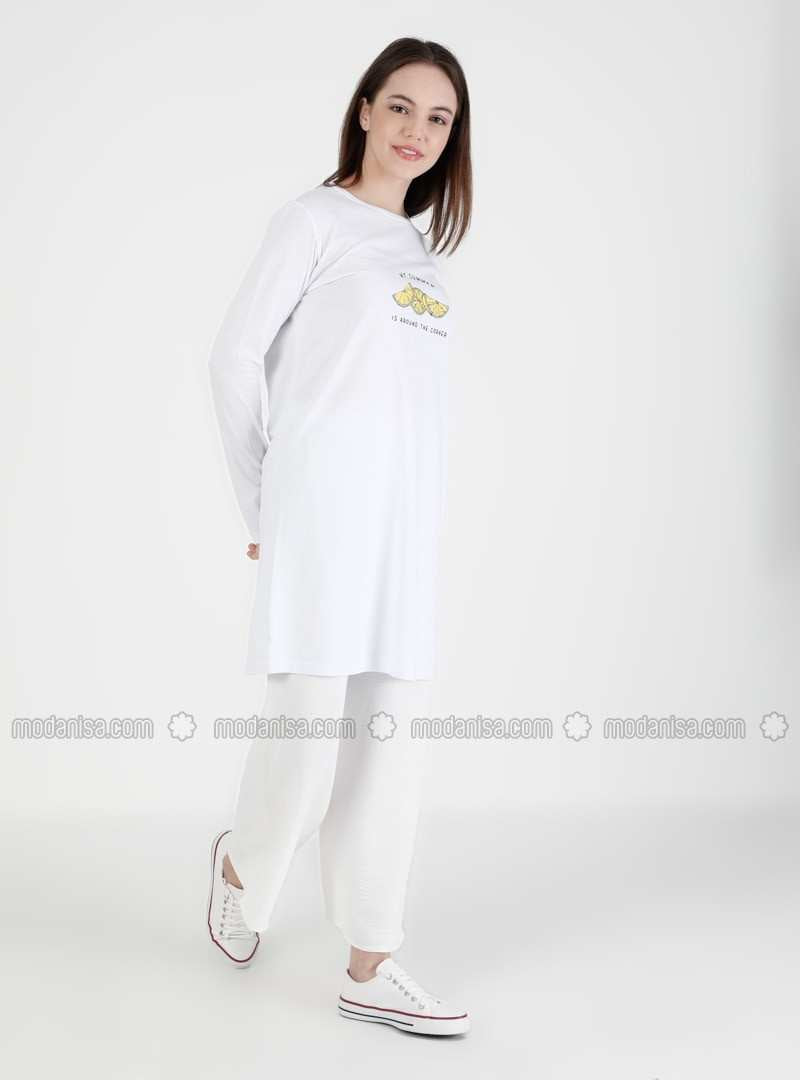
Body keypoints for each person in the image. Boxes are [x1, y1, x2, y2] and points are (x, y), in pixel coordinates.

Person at [205, 37, 472, 1037]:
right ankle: (243, 868)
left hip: (403, 537)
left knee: (388, 747)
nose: (416, 131)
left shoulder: (422, 259)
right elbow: (234, 360)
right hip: (319, 522)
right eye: (400, 107)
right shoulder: (312, 220)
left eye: (438, 119)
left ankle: (371, 961)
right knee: (307, 744)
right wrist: (263, 508)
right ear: (364, 109)